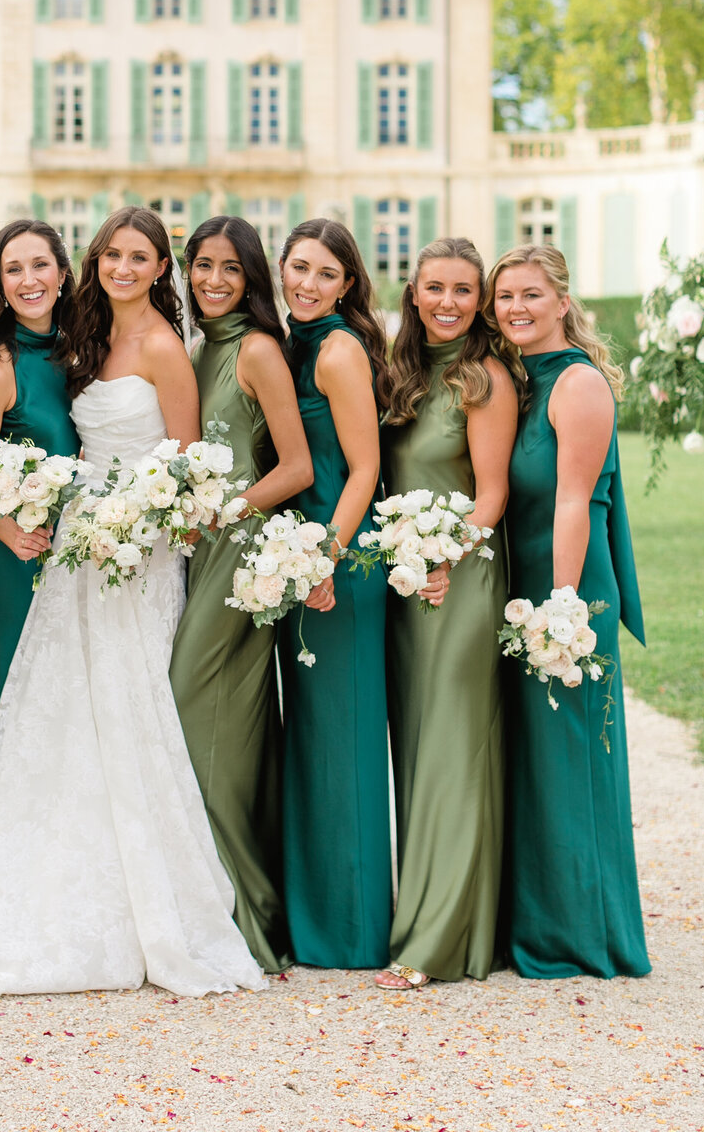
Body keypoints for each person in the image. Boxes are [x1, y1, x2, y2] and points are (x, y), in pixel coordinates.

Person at [0, 207, 263, 996]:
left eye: (141, 256)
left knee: (136, 706)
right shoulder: (80, 342)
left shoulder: (164, 348)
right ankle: (62, 895)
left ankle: (155, 902)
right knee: (69, 709)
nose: (123, 266)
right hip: (78, 543)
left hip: (139, 548)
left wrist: (143, 523)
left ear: (163, 268)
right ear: (95, 262)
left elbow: (186, 468)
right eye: (112, 254)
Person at [490, 243, 650, 979]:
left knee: (573, 760)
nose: (515, 308)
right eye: (505, 298)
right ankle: (540, 921)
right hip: (532, 590)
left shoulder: (577, 384)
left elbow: (574, 500)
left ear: (561, 300)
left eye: (529, 295)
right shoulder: (524, 381)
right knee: (538, 763)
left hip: (568, 594)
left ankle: (585, 933)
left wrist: (559, 609)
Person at [169, 216, 312, 972]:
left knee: (198, 714)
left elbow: (297, 466)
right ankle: (206, 904)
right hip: (201, 552)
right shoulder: (198, 350)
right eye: (201, 266)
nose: (214, 280)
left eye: (229, 268)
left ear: (252, 276)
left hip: (244, 556)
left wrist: (229, 512)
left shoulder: (256, 350)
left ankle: (244, 917)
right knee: (196, 721)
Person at [378, 236, 517, 990]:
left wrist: (445, 558)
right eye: (435, 287)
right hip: (404, 585)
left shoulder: (483, 378)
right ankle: (431, 915)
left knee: (453, 752)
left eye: (464, 290)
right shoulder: (400, 374)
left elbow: (490, 493)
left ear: (480, 301)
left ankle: (439, 942)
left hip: (460, 579)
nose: (447, 303)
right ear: (414, 290)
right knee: (419, 748)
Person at [277, 218, 393, 970]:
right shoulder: (293, 345)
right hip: (294, 563)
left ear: (348, 284)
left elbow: (364, 467)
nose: (308, 284)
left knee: (344, 745)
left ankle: (351, 930)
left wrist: (327, 555)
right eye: (298, 268)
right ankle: (312, 917)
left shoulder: (342, 350)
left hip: (337, 567)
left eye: (325, 273)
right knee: (313, 743)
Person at [0, 219, 79, 771]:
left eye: (39, 265)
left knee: (64, 710)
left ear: (61, 274)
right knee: (9, 702)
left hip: (75, 561)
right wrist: (16, 535)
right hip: (14, 563)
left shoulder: (81, 353)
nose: (28, 280)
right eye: (13, 269)